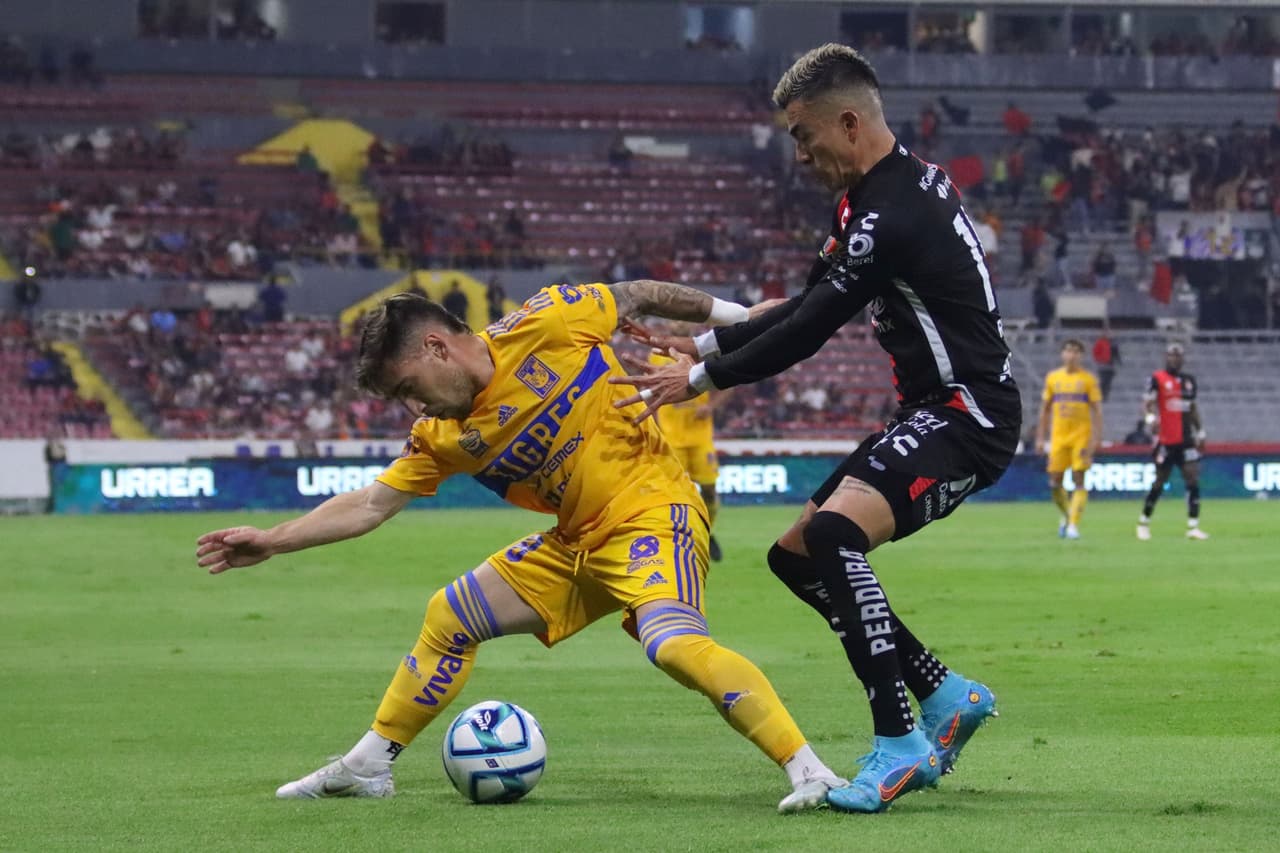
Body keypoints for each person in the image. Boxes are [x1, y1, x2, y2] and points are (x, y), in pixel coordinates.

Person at [195, 283, 843, 813]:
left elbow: (638, 295)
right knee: (451, 616)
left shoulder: (549, 321)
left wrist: (738, 321)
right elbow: (371, 502)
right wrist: (273, 541)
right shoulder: (443, 433)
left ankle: (810, 768)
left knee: (670, 641)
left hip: (654, 509)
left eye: (407, 386)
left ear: (437, 346)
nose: (412, 404)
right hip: (577, 541)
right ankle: (370, 763)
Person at [612, 44, 1021, 813]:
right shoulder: (879, 196)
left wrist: (698, 379)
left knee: (834, 537)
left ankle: (898, 744)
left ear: (847, 120)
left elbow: (808, 334)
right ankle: (944, 693)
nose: (799, 154)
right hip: (934, 413)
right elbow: (804, 303)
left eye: (803, 135)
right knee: (796, 555)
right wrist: (700, 344)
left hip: (968, 416)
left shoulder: (887, 214)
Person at [648, 322, 726, 562]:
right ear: (668, 323)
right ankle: (675, 539)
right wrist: (654, 427)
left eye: (682, 318)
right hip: (671, 437)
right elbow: (650, 390)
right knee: (673, 494)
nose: (678, 322)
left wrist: (711, 406)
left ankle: (708, 533)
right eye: (673, 319)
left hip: (700, 436)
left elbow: (730, 381)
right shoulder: (656, 356)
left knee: (710, 490)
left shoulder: (704, 352)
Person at [1137, 343, 1208, 541]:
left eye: (1178, 355)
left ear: (1183, 358)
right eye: (1171, 355)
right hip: (1166, 440)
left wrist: (1200, 431)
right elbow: (1147, 404)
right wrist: (1150, 420)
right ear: (1165, 357)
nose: (1175, 359)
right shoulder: (1157, 379)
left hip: (1186, 440)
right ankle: (1144, 522)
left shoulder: (1189, 382)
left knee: (1192, 478)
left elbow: (1192, 408)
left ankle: (1193, 526)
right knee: (1160, 482)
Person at [1033, 340, 1103, 539]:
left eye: (1075, 352)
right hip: (1059, 437)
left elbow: (1097, 411)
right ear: (1062, 354)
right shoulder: (1053, 378)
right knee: (1055, 482)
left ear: (1081, 356)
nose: (1071, 355)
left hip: (1081, 436)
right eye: (1068, 351)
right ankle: (1067, 515)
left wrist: (1095, 438)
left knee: (1079, 479)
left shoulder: (1088, 380)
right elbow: (1044, 410)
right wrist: (1040, 437)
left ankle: (1072, 526)